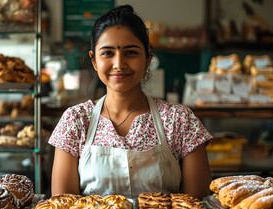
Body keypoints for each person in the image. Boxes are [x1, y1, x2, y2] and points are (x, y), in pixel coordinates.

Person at [49, 4, 212, 199]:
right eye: (108, 53)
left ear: (147, 58)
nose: (119, 64)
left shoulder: (179, 120)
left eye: (131, 52)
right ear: (94, 61)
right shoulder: (75, 121)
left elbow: (198, 207)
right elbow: (63, 208)